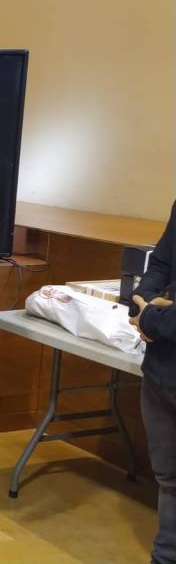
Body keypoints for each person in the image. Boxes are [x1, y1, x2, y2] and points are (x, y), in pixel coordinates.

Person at [129, 200, 176, 564]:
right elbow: (160, 261)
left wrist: (153, 319)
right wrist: (142, 303)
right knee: (169, 478)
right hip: (163, 367)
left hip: (162, 333)